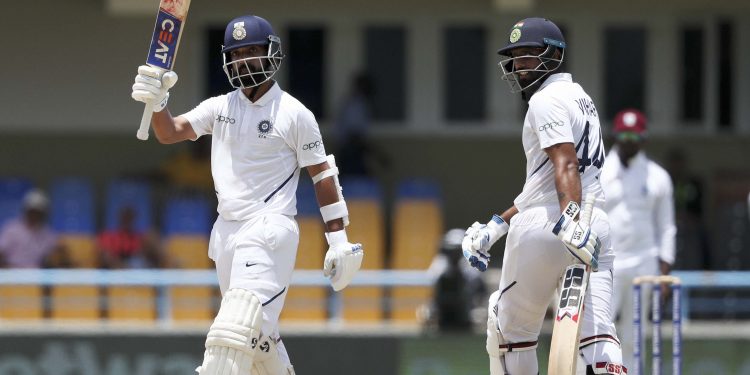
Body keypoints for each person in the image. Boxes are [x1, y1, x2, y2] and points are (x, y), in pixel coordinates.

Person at [131, 14, 363, 374]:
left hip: (269, 230)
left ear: (272, 54)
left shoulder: (294, 113)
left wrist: (338, 240)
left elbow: (322, 174)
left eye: (253, 51)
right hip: (226, 232)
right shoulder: (221, 107)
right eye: (237, 54)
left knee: (231, 333)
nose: (244, 60)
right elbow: (170, 132)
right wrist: (159, 101)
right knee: (259, 342)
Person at [460, 18, 623, 374]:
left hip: (553, 225)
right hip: (595, 226)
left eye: (529, 55)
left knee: (506, 333)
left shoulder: (544, 101)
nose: (519, 66)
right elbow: (546, 181)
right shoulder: (582, 98)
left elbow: (565, 164)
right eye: (516, 57)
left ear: (554, 54)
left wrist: (569, 221)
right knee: (599, 339)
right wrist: (497, 224)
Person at [600, 109, 676, 370]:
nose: (628, 141)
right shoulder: (598, 171)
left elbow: (666, 228)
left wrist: (663, 273)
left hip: (644, 263)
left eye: (634, 136)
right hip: (606, 262)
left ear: (643, 138)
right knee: (598, 329)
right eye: (624, 135)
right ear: (615, 136)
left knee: (634, 334)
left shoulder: (658, 177)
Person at [428, 228, 487, 331]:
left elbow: (482, 291)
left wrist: (479, 309)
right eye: (450, 251)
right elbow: (434, 290)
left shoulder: (472, 264)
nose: (454, 255)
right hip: (444, 319)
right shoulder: (439, 264)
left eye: (457, 251)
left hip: (465, 319)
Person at [0, 189, 71, 268]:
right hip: (12, 273)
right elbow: (1, 252)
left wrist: (60, 254)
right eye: (32, 211)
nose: (34, 215)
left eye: (38, 212)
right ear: (26, 210)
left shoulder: (48, 233)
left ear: (43, 213)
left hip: (37, 275)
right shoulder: (11, 228)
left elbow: (58, 253)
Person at [97, 206, 166, 269]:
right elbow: (106, 257)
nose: (127, 221)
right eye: (125, 218)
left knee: (152, 235)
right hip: (117, 271)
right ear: (120, 219)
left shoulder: (141, 237)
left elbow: (156, 255)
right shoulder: (109, 236)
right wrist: (123, 267)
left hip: (138, 267)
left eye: (130, 218)